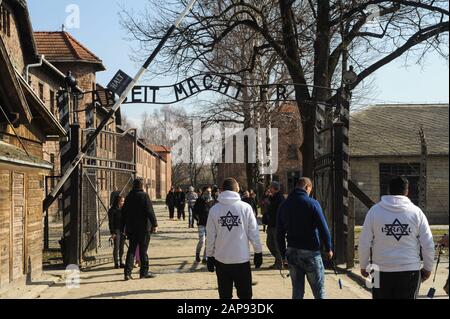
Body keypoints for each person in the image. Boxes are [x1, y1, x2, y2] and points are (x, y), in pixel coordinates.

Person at [359, 176, 435, 299]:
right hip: (409, 270)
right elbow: (428, 244)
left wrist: (364, 265)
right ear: (407, 191)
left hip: (379, 271)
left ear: (388, 190)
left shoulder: (374, 212)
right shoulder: (416, 213)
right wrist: (427, 268)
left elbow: (364, 242)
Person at [206, 178, 263, 299]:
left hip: (221, 259)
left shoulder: (214, 210)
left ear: (221, 190)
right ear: (237, 189)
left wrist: (209, 255)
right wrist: (258, 252)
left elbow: (210, 236)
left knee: (225, 296)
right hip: (241, 259)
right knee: (245, 296)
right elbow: (254, 233)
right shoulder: (245, 208)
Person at [277, 177, 333, 300]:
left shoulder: (284, 205)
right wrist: (328, 247)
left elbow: (279, 233)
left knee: (297, 291)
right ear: (307, 187)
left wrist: (282, 254)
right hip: (310, 252)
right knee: (319, 291)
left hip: (292, 251)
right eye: (310, 190)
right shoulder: (312, 203)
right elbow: (323, 228)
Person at [122, 178, 159, 281]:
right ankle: (144, 272)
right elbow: (150, 211)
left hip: (132, 228)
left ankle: (127, 273)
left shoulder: (129, 196)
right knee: (143, 251)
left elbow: (124, 213)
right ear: (142, 186)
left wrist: (123, 227)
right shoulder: (144, 196)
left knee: (131, 250)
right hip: (144, 228)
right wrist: (155, 224)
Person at [266, 182, 284, 269]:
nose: (269, 189)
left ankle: (280, 262)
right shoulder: (273, 197)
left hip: (276, 225)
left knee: (276, 244)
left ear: (274, 188)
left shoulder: (280, 198)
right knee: (269, 243)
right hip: (271, 224)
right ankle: (278, 260)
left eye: (270, 188)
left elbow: (277, 210)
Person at [193, 186, 214, 263]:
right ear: (204, 192)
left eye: (210, 191)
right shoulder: (199, 200)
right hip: (201, 223)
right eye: (208, 191)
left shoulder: (212, 201)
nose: (209, 193)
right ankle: (197, 254)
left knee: (208, 242)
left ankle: (205, 257)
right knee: (202, 240)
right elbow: (194, 211)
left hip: (210, 224)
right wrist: (197, 218)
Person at [108, 195, 125, 269]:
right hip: (116, 231)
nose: (123, 202)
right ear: (118, 201)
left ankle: (121, 262)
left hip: (123, 230)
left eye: (123, 201)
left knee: (122, 247)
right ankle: (116, 263)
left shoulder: (123, 210)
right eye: (121, 201)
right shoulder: (112, 210)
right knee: (116, 247)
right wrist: (112, 233)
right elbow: (111, 223)